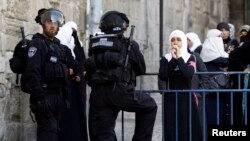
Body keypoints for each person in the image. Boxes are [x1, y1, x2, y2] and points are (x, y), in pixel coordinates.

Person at [85, 10, 157, 141]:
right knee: (150, 105)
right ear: (121, 26)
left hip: (97, 94)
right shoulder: (129, 44)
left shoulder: (96, 44)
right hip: (120, 91)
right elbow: (141, 68)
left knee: (103, 134)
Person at [22, 8, 69, 141]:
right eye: (49, 22)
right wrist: (40, 98)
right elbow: (32, 74)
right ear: (43, 24)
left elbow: (63, 70)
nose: (52, 25)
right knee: (49, 132)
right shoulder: (37, 44)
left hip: (58, 97)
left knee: (54, 132)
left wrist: (65, 96)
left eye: (55, 22)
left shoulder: (58, 46)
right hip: (44, 97)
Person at [158, 30, 202, 141]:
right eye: (172, 40)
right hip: (171, 97)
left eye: (178, 39)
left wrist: (179, 58)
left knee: (188, 126)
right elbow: (163, 75)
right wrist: (173, 59)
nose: (175, 42)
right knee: (172, 126)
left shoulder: (190, 57)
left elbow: (188, 73)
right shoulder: (166, 58)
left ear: (183, 41)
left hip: (187, 97)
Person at [56, 21, 88, 141]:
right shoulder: (60, 46)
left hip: (74, 89)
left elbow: (78, 65)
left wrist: (76, 72)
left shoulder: (74, 45)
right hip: (64, 90)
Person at [200, 29, 231, 125]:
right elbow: (222, 61)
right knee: (213, 115)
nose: (220, 39)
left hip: (218, 86)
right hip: (212, 87)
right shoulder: (208, 49)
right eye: (219, 37)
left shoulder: (215, 48)